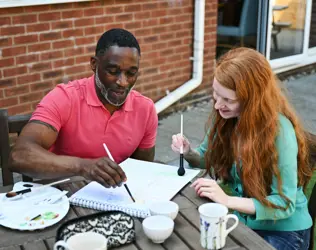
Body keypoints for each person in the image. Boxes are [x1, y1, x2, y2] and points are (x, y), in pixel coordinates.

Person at [171, 47, 313, 250]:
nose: (218, 105)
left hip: (284, 231)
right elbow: (206, 157)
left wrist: (227, 200)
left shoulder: (280, 133)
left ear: (252, 100)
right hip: (246, 222)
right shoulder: (227, 118)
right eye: (215, 94)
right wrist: (188, 151)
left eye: (228, 99)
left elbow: (284, 203)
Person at [9, 28, 158, 188]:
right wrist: (82, 166)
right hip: (61, 197)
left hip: (113, 199)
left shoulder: (145, 109)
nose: (123, 82)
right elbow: (19, 156)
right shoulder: (65, 98)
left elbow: (143, 170)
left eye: (131, 73)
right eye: (113, 71)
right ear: (94, 64)